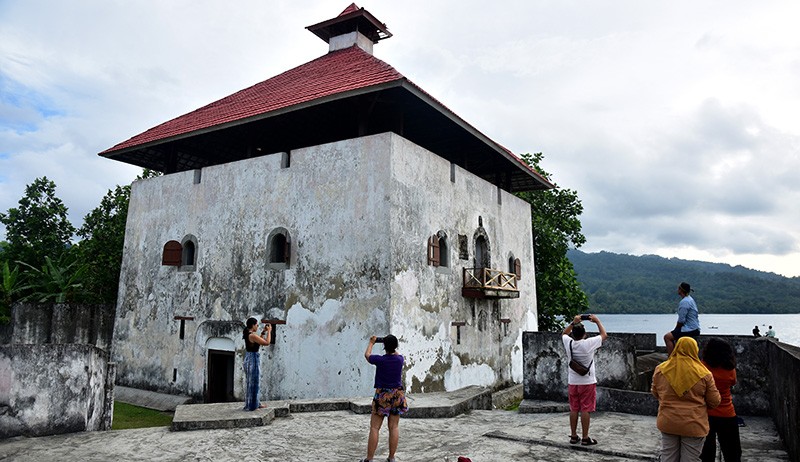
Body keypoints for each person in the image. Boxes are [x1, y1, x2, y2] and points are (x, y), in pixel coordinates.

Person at [652, 337, 721, 461]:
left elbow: (655, 392)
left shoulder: (661, 369)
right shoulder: (704, 373)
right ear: (695, 350)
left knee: (668, 456)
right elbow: (714, 401)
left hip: (668, 421)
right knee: (690, 458)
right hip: (694, 424)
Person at [562, 314, 607, 446]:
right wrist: (597, 321)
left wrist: (573, 322)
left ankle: (574, 436)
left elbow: (564, 333)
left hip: (573, 381)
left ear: (573, 334)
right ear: (584, 334)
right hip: (587, 381)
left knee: (574, 408)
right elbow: (604, 335)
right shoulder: (589, 343)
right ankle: (585, 437)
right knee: (585, 409)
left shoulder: (568, 342)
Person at [361, 334, 407, 462]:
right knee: (394, 427)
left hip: (382, 395)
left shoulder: (380, 360)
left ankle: (369, 459)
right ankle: (391, 457)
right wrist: (391, 345)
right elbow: (395, 353)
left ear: (384, 347)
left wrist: (371, 343)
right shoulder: (399, 359)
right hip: (397, 395)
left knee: (375, 428)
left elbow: (367, 355)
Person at [700, 338, 742, 462]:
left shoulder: (702, 367)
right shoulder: (730, 370)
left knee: (707, 453)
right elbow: (733, 383)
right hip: (727, 413)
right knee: (732, 453)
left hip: (707, 413)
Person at [242, 317, 271, 411]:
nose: (257, 326)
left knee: (252, 381)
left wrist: (263, 332)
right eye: (257, 324)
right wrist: (269, 331)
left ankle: (255, 403)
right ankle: (252, 406)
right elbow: (266, 343)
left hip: (250, 357)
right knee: (254, 382)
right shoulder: (252, 335)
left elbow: (258, 343)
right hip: (252, 359)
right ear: (253, 325)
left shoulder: (250, 334)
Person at [664, 282, 700, 356]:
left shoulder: (684, 302)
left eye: (678, 288)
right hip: (695, 328)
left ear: (681, 290)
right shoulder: (690, 300)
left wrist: (675, 329)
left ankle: (671, 359)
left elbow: (681, 321)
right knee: (674, 335)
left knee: (667, 337)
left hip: (689, 329)